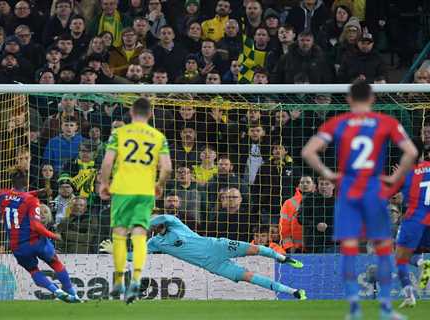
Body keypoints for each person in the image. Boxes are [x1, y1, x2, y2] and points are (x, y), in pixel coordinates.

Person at [301, 80, 418, 320]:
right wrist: (395, 176)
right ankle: (386, 308)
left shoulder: (339, 122)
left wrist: (328, 174)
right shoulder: (386, 122)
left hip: (348, 190)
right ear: (372, 98)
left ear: (349, 99)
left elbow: (308, 151)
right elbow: (412, 152)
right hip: (374, 190)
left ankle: (354, 309)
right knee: (384, 248)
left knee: (349, 249)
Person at [101, 214, 307, 299]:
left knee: (254, 249)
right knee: (249, 277)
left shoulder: (174, 222)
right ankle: (294, 291)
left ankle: (283, 258)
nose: (157, 224)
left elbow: (162, 217)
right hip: (212, 264)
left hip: (218, 246)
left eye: (155, 222)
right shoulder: (154, 243)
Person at [99, 97, 172, 303]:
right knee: (140, 233)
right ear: (150, 114)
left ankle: (120, 279)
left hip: (122, 190)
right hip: (145, 191)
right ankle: (137, 279)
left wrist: (104, 183)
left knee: (120, 233)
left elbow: (107, 162)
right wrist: (159, 185)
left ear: (131, 112)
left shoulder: (119, 134)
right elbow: (167, 168)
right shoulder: (159, 137)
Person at [0, 169, 80, 303]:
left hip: (17, 246)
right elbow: (36, 225)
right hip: (35, 240)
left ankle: (56, 291)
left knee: (33, 270)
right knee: (55, 263)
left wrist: (37, 192)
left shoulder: (2, 195)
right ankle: (73, 294)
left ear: (11, 181)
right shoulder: (31, 200)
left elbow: (17, 197)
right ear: (27, 182)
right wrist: (53, 236)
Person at [390, 140, 430, 308]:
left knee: (400, 257)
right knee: (417, 252)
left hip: (415, 220)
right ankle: (422, 263)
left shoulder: (405, 173)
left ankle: (409, 296)